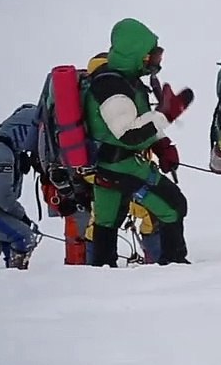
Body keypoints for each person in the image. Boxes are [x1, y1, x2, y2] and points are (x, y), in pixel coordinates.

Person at [82, 18, 193, 267]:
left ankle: (101, 272)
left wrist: (161, 145)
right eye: (152, 54)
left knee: (106, 221)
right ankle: (174, 265)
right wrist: (167, 114)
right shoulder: (111, 86)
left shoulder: (127, 82)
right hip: (120, 165)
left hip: (107, 165)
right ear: (137, 55)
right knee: (173, 206)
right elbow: (129, 134)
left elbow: (140, 122)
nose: (156, 60)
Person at [0, 105, 42, 269]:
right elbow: (3, 196)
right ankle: (16, 279)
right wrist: (21, 216)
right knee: (24, 237)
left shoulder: (5, 150)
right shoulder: (1, 154)